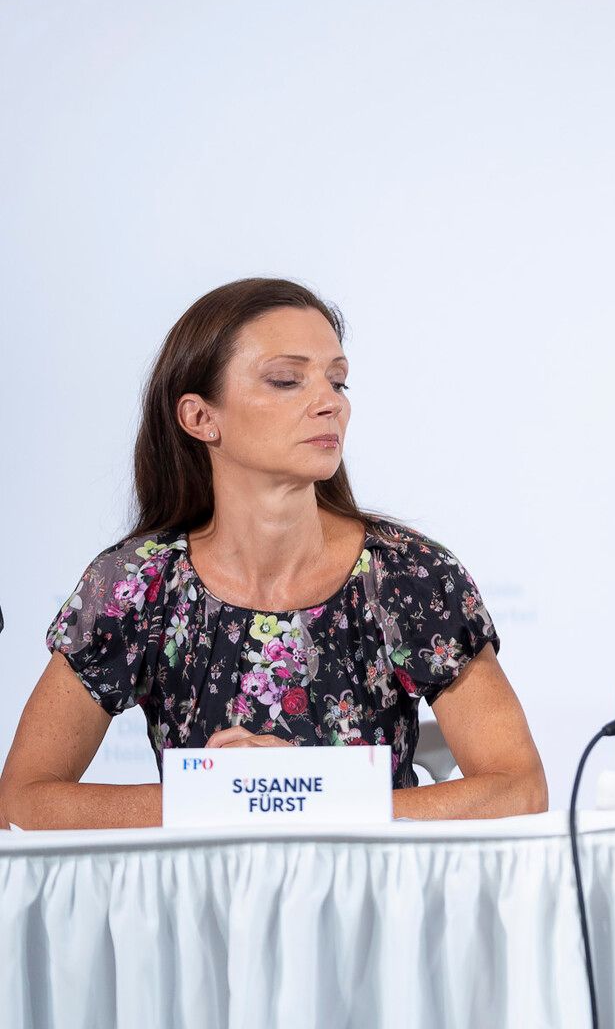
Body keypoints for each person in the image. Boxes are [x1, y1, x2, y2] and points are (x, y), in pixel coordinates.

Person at [0, 279, 547, 828]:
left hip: (376, 903)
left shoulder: (409, 575)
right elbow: (21, 801)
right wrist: (227, 796)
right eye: (287, 380)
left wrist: (302, 797)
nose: (329, 402)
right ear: (199, 418)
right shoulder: (135, 582)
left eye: (338, 381)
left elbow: (518, 787)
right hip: (198, 905)